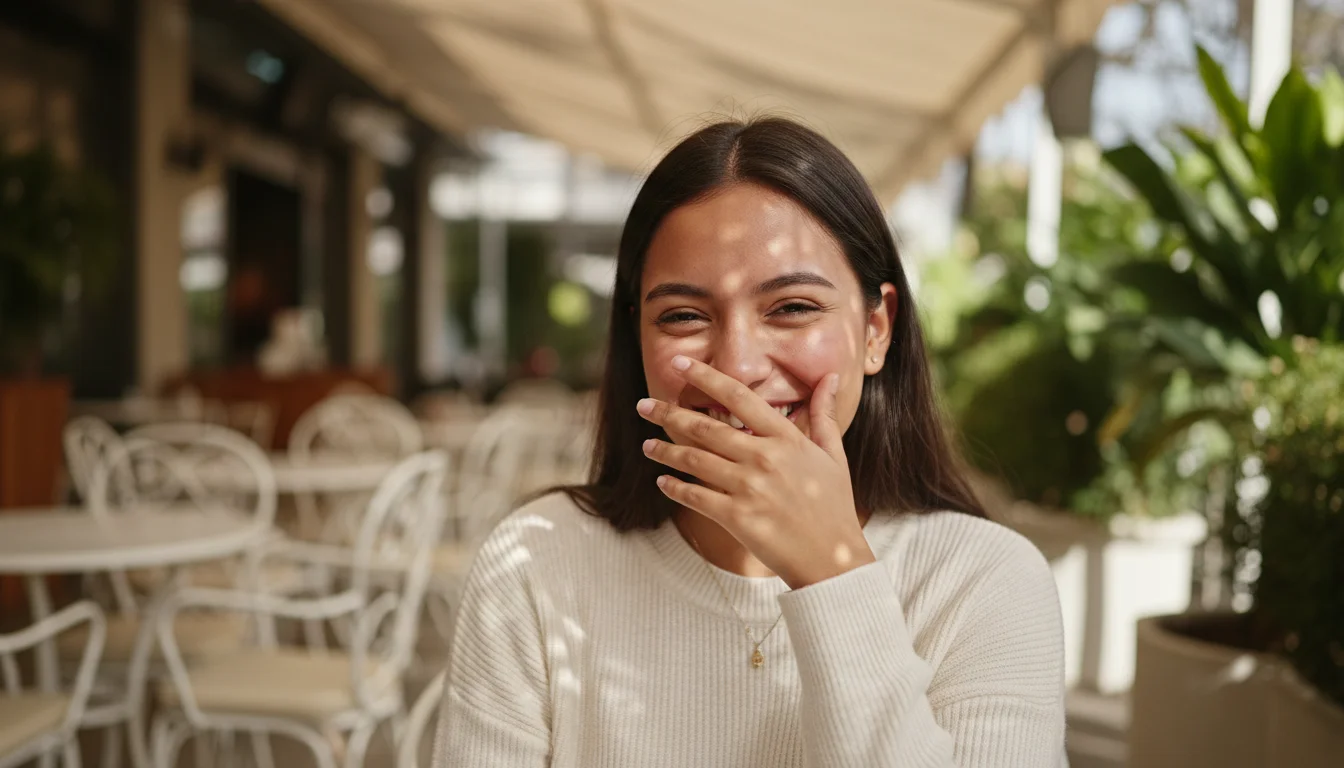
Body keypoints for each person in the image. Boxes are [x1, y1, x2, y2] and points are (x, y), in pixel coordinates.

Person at [431, 117, 1065, 767]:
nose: (736, 367)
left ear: (877, 329)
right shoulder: (538, 563)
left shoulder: (985, 583)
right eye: (682, 316)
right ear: (637, 340)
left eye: (791, 307)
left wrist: (832, 568)